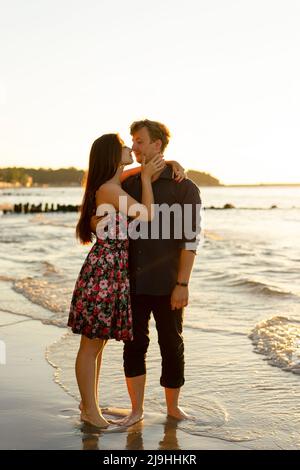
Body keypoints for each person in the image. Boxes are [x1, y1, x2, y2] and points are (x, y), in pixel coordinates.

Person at [68, 133, 185, 429]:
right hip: (105, 270)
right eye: (123, 144)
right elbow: (145, 215)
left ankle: (88, 406)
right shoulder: (109, 189)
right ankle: (90, 412)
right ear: (111, 154)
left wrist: (171, 162)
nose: (129, 148)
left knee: (98, 344)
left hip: (112, 270)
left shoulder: (113, 184)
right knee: (91, 345)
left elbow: (146, 168)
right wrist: (146, 181)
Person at [92, 120, 201, 427]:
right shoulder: (127, 184)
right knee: (134, 344)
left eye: (139, 141)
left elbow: (190, 238)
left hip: (169, 283)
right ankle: (136, 410)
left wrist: (183, 283)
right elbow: (102, 205)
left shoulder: (185, 187)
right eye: (133, 142)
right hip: (132, 281)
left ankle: (173, 409)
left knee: (172, 343)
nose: (134, 146)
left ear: (157, 145)